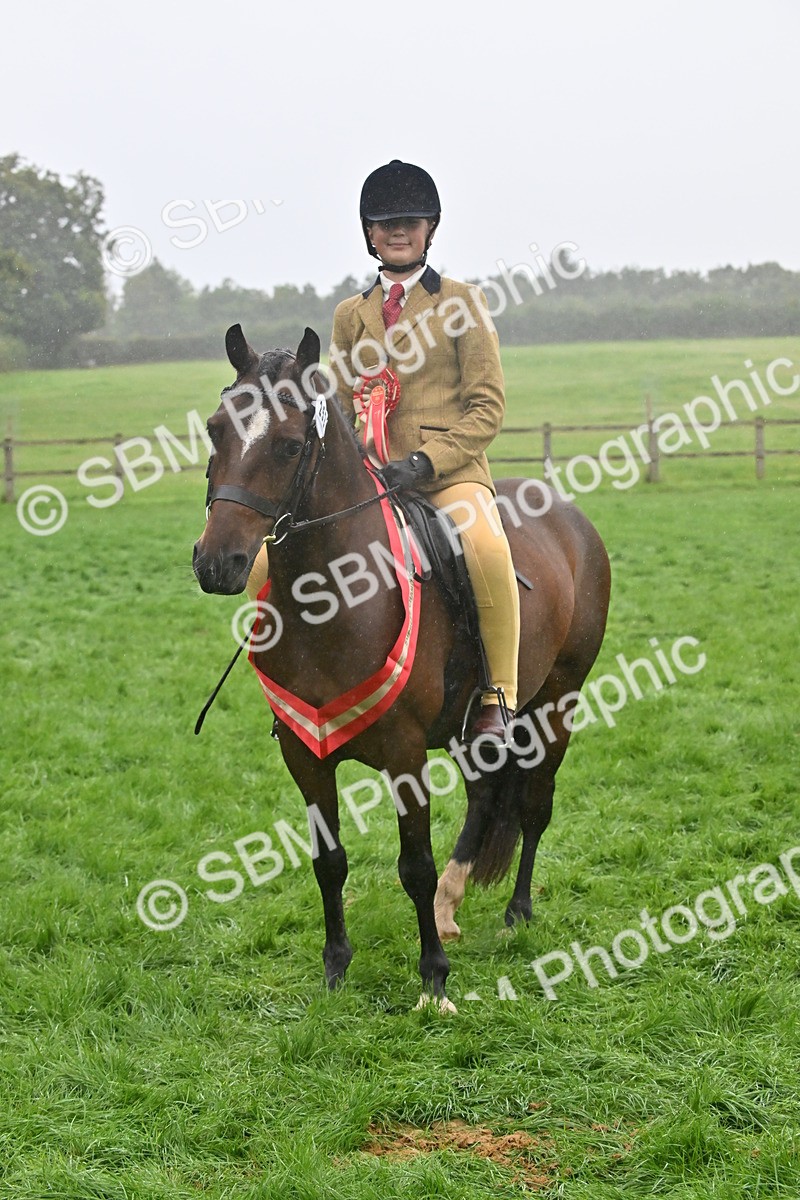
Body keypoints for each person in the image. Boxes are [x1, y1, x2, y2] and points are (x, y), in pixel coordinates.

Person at [326, 159, 521, 742]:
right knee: (274, 552)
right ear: (369, 233)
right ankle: (300, 682)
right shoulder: (349, 315)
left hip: (446, 473)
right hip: (368, 477)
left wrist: (425, 462)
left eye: (409, 222)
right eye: (385, 224)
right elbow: (337, 405)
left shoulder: (464, 302)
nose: (397, 232)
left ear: (429, 228)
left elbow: (486, 407)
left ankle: (499, 695)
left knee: (486, 545)